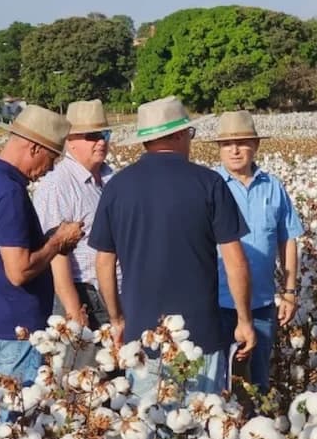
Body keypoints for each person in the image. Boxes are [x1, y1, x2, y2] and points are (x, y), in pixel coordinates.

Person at [87, 96, 256, 399]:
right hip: (201, 333)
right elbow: (235, 261)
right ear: (179, 135)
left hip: (142, 337)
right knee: (205, 435)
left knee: (150, 430)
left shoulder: (116, 187)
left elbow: (103, 263)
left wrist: (116, 319)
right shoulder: (209, 183)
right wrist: (244, 321)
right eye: (189, 134)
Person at [0, 105, 84, 390]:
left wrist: (48, 240)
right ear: (33, 148)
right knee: (18, 422)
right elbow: (18, 270)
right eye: (52, 158)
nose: (51, 168)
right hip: (16, 331)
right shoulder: (9, 192)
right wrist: (57, 242)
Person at [207, 110, 304, 395]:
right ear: (220, 149)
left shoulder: (274, 187)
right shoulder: (209, 186)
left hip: (261, 303)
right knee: (218, 384)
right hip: (216, 304)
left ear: (256, 146)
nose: (235, 150)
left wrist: (289, 291)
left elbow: (288, 240)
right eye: (227, 144)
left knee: (258, 383)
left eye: (242, 142)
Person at [33, 99, 118, 367]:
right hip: (83, 296)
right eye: (92, 136)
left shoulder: (110, 177)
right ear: (70, 141)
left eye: (105, 135)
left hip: (110, 295)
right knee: (82, 381)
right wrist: (73, 310)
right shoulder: (57, 185)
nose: (101, 142)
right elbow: (56, 251)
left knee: (110, 377)